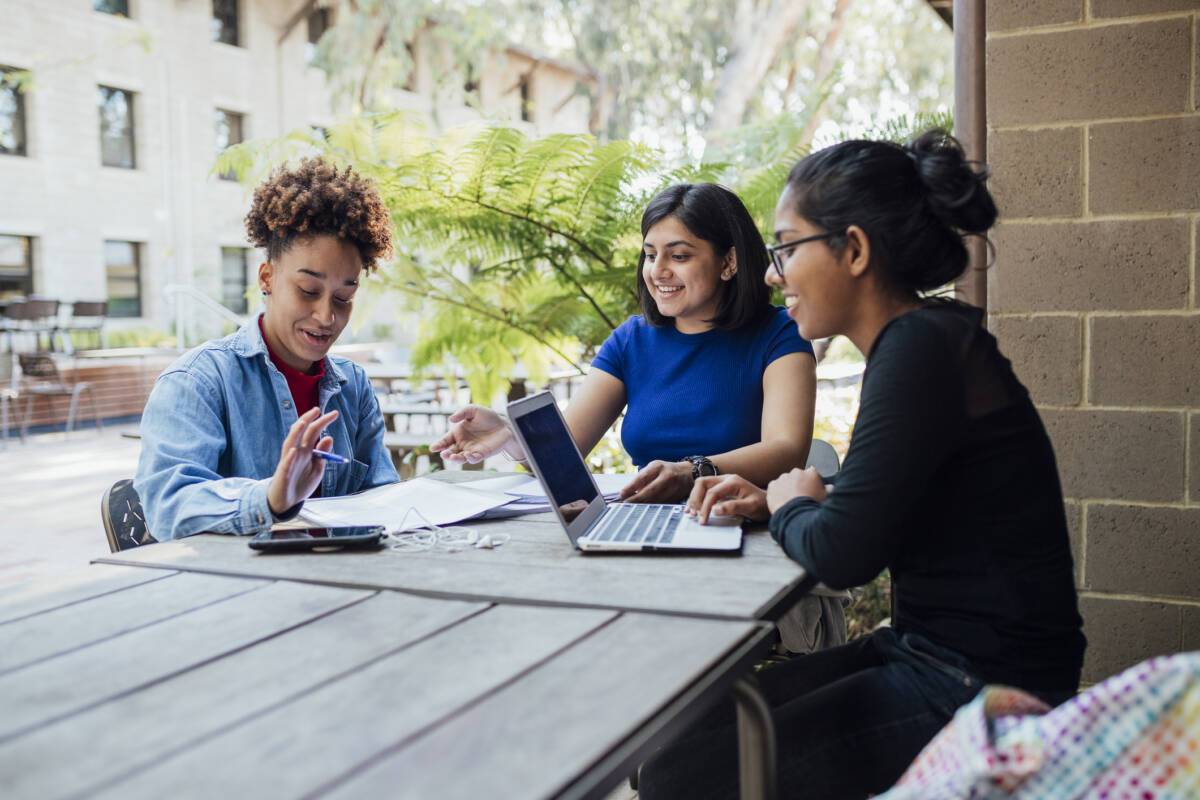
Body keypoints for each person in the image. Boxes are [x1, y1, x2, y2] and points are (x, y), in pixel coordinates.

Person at [640, 131, 1087, 800]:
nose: (772, 273)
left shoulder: (918, 349)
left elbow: (842, 555)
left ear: (853, 250)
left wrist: (791, 504)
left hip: (980, 685)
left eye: (785, 248)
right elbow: (887, 498)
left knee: (685, 778)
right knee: (681, 740)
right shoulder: (926, 340)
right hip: (928, 651)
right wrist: (773, 501)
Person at [433, 182, 817, 505]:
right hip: (647, 520)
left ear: (729, 262)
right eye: (650, 255)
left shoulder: (779, 334)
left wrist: (692, 471)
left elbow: (786, 451)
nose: (658, 270)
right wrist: (507, 433)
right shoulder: (630, 340)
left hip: (742, 524)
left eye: (679, 255)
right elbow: (563, 453)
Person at [135, 157, 399, 540]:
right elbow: (169, 505)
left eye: (344, 297)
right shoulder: (198, 382)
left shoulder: (353, 386)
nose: (326, 316)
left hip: (345, 586)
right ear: (267, 278)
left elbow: (381, 497)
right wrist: (270, 500)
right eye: (308, 291)